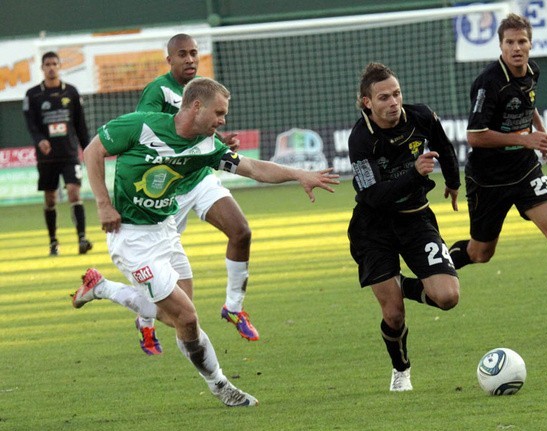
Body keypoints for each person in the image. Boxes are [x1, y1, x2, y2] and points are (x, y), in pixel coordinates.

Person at [73, 77, 338, 406]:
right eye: (220, 112)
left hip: (165, 232)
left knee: (176, 317)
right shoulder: (140, 125)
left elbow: (253, 168)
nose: (223, 121)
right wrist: (102, 203)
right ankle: (221, 385)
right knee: (186, 317)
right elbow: (93, 150)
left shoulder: (207, 147)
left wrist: (299, 174)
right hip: (131, 239)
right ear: (196, 106)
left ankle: (100, 288)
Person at [88, 34, 259, 356]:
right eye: (183, 54)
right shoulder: (158, 90)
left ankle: (234, 307)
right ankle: (145, 320)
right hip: (170, 186)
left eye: (194, 53)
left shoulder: (206, 90)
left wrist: (222, 141)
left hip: (200, 177)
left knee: (241, 230)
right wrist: (106, 202)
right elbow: (152, 134)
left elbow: (201, 133)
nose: (190, 59)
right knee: (168, 286)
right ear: (170, 59)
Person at [447, 13, 547, 337]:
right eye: (510, 42)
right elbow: (475, 135)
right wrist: (525, 138)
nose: (517, 48)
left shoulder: (532, 71)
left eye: (522, 41)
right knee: (481, 253)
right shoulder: (488, 82)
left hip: (523, 169)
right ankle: (435, 265)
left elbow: (527, 102)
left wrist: (543, 133)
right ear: (501, 45)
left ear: (531, 44)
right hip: (489, 178)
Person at [347, 63, 461, 392]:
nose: (393, 102)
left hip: (416, 217)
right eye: (384, 97)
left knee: (448, 298)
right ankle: (401, 370)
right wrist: (414, 173)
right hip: (374, 227)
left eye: (396, 93)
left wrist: (453, 182)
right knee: (394, 314)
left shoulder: (421, 116)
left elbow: (444, 146)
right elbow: (372, 195)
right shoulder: (361, 139)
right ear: (367, 102)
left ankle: (399, 282)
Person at [23, 51, 93, 256]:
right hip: (47, 156)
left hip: (69, 153)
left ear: (60, 66)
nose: (51, 67)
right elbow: (31, 125)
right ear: (42, 68)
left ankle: (81, 239)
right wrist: (40, 140)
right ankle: (53, 242)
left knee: (74, 192)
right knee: (51, 199)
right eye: (47, 64)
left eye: (55, 63)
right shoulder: (33, 95)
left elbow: (80, 126)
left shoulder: (71, 92)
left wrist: (87, 150)